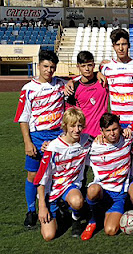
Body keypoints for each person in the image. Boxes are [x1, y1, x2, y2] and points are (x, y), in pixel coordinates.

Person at [14, 50, 66, 229]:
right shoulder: (28, 89)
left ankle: (57, 205)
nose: (49, 71)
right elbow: (23, 118)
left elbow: (80, 80)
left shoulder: (61, 84)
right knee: (33, 175)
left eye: (52, 67)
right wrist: (28, 142)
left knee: (57, 174)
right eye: (46, 66)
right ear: (39, 65)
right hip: (37, 136)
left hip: (58, 136)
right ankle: (31, 210)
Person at [34, 108, 92, 241]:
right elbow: (40, 180)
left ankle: (75, 219)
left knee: (77, 201)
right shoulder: (53, 147)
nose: (77, 130)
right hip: (52, 191)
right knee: (49, 236)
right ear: (65, 126)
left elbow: (103, 142)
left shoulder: (86, 141)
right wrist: (42, 207)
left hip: (71, 187)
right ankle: (59, 209)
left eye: (80, 126)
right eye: (73, 126)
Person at [81, 113, 133, 240]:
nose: (112, 133)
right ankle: (93, 220)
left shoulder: (127, 139)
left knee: (111, 230)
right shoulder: (93, 146)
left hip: (118, 194)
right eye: (108, 131)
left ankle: (103, 213)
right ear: (101, 131)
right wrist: (47, 145)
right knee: (92, 190)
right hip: (101, 190)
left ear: (120, 128)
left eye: (115, 129)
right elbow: (71, 141)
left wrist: (129, 128)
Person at [100, 29, 133, 128]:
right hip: (116, 122)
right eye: (117, 45)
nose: (121, 48)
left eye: (123, 44)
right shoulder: (107, 68)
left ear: (128, 45)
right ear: (113, 46)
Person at [65, 51, 109, 138]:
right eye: (83, 66)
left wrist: (98, 73)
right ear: (78, 66)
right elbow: (70, 116)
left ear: (94, 65)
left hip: (103, 133)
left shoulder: (103, 81)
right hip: (83, 134)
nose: (87, 69)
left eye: (89, 65)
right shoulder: (73, 88)